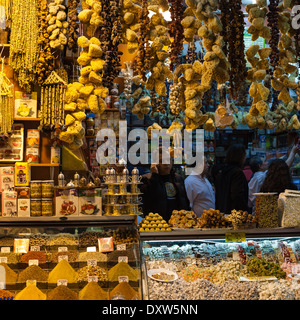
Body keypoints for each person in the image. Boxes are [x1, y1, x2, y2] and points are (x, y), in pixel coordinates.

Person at [140, 147, 190, 221]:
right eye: (162, 161)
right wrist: (155, 175)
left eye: (168, 160)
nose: (166, 163)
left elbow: (185, 201)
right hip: (158, 224)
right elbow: (150, 199)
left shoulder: (178, 178)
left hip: (178, 223)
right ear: (155, 163)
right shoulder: (147, 179)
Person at [248, 143, 299, 212]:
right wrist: (293, 152)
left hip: (261, 212)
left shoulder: (262, 182)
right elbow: (284, 167)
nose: (267, 162)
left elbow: (249, 202)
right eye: (265, 161)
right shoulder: (260, 177)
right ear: (260, 166)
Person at [211, 144, 249, 214]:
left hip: (222, 210)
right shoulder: (237, 173)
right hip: (235, 214)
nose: (245, 158)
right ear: (240, 156)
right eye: (244, 155)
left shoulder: (221, 171)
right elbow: (237, 195)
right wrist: (245, 210)